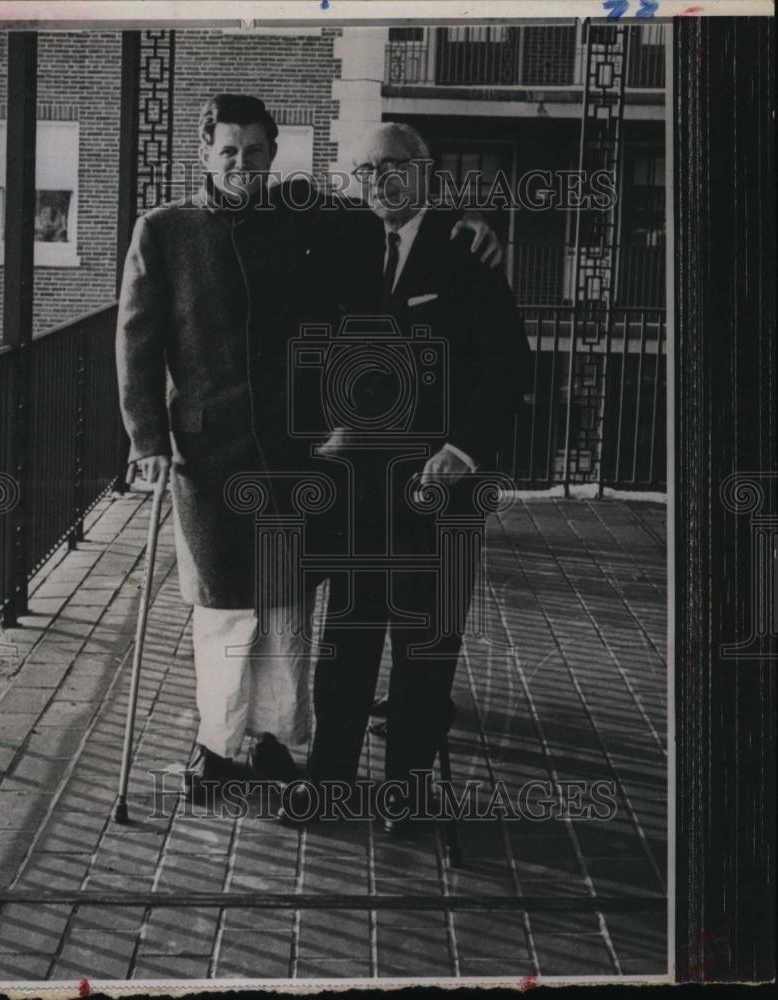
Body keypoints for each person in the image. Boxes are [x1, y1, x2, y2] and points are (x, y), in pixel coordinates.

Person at [117, 95, 504, 800]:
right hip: (207, 458)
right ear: (204, 151)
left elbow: (380, 211)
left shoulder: (300, 217)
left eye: (257, 151)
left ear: (274, 154)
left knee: (287, 605)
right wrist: (147, 437)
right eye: (229, 150)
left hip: (295, 458)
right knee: (224, 608)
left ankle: (271, 739)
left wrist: (462, 221)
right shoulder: (163, 230)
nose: (243, 164)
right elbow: (136, 344)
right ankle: (216, 746)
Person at [282, 123, 531, 831]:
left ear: (425, 172)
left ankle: (408, 793)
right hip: (359, 490)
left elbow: (507, 364)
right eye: (365, 172)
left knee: (425, 648)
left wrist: (461, 451)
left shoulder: (462, 248)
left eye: (392, 167)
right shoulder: (349, 242)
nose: (379, 183)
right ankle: (328, 782)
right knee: (348, 644)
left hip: (440, 486)